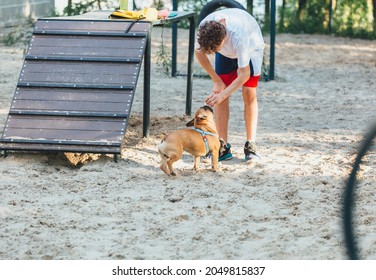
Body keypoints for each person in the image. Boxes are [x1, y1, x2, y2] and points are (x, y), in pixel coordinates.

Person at [195, 8, 265, 162]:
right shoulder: (204, 30)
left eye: (215, 50)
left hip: (252, 48)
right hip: (226, 53)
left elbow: (244, 74)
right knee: (220, 93)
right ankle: (222, 146)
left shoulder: (238, 35)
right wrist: (217, 81)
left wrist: (223, 94)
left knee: (248, 92)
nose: (212, 53)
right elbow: (199, 53)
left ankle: (250, 145)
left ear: (224, 38)